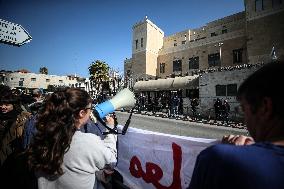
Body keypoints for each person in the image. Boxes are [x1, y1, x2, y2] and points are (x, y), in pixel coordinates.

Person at [188, 62, 284, 189]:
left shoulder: (220, 159)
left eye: (244, 109)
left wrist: (233, 153)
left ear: (264, 107)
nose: (245, 120)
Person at [26, 88, 117, 189]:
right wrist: (111, 129)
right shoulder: (88, 142)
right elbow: (111, 161)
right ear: (82, 113)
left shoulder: (42, 137)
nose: (91, 111)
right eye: (90, 109)